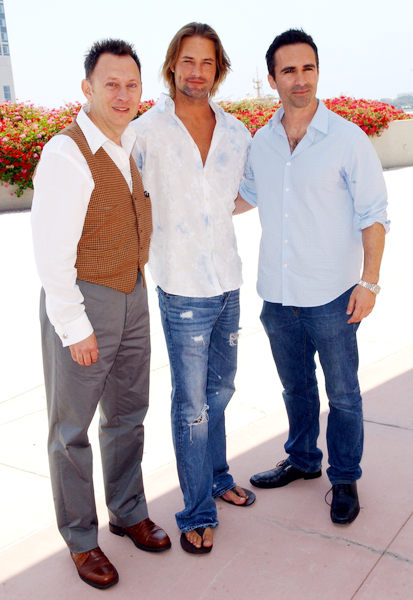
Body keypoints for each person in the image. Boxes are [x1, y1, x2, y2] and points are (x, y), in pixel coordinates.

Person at [31, 39, 170, 590]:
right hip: (85, 300)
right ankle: (82, 541)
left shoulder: (129, 142)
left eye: (131, 84)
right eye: (110, 84)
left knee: (128, 413)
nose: (123, 94)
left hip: (133, 294)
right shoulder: (66, 154)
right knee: (71, 431)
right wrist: (74, 326)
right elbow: (51, 255)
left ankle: (128, 510)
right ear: (86, 89)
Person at [236, 29, 389, 525]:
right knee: (295, 387)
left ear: (317, 71)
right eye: (289, 70)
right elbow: (246, 197)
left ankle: (344, 478)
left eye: (308, 68)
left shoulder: (347, 139)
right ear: (272, 78)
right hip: (277, 296)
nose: (300, 80)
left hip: (333, 294)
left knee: (342, 393)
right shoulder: (262, 141)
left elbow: (374, 214)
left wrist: (369, 283)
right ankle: (303, 460)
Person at [132, 22, 254, 554]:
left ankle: (219, 477)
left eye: (206, 62)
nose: (196, 72)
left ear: (218, 69)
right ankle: (196, 510)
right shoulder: (145, 131)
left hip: (228, 280)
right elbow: (127, 197)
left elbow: (245, 193)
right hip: (181, 288)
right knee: (192, 406)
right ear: (172, 65)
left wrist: (207, 218)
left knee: (221, 392)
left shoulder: (236, 132)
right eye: (188, 61)